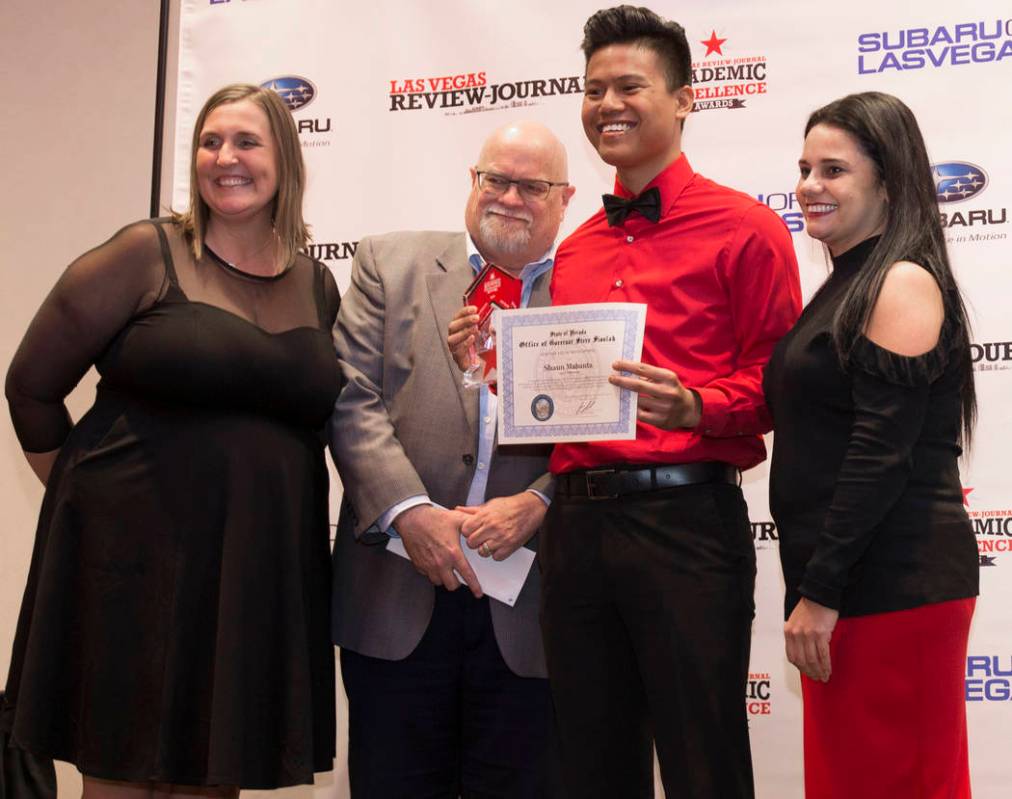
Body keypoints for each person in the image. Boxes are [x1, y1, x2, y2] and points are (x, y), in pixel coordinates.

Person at [452, 6, 800, 797]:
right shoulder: (570, 249)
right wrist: (492, 365)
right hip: (574, 529)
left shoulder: (746, 229)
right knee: (589, 764)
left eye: (629, 86)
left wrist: (698, 407)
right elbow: (552, 402)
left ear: (683, 99)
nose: (607, 103)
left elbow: (781, 382)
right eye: (593, 87)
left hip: (686, 527)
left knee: (703, 761)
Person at [2, 83, 341, 796]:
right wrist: (82, 507)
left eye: (246, 141)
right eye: (210, 141)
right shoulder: (144, 253)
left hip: (249, 576)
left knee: (214, 777)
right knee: (121, 775)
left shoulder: (318, 283)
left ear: (285, 156)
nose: (225, 158)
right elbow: (30, 388)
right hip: (127, 571)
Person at [330, 120, 574, 798]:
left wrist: (541, 501)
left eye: (532, 185)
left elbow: (601, 433)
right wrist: (411, 513)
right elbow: (351, 397)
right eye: (495, 179)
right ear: (473, 181)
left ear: (565, 198)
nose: (509, 197)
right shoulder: (389, 261)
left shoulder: (590, 289)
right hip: (396, 593)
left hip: (529, 606)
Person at [763, 91, 978, 799]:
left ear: (888, 183)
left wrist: (821, 592)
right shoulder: (846, 282)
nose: (808, 186)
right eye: (804, 168)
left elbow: (879, 454)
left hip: (892, 588)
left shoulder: (902, 280)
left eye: (833, 170)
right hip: (852, 589)